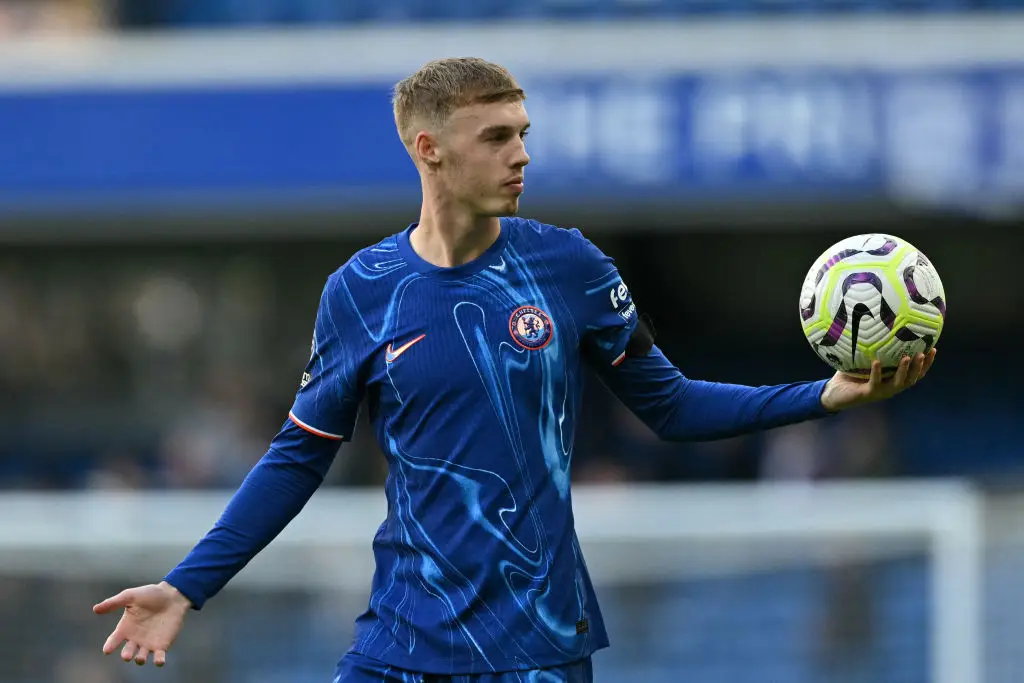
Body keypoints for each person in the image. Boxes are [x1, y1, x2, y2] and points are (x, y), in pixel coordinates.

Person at [93, 57, 936, 682]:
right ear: (430, 150)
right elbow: (297, 454)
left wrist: (826, 393)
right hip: (399, 644)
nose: (520, 154)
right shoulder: (363, 291)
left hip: (538, 648)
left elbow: (672, 406)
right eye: (496, 136)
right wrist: (186, 587)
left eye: (523, 133)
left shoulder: (568, 267)